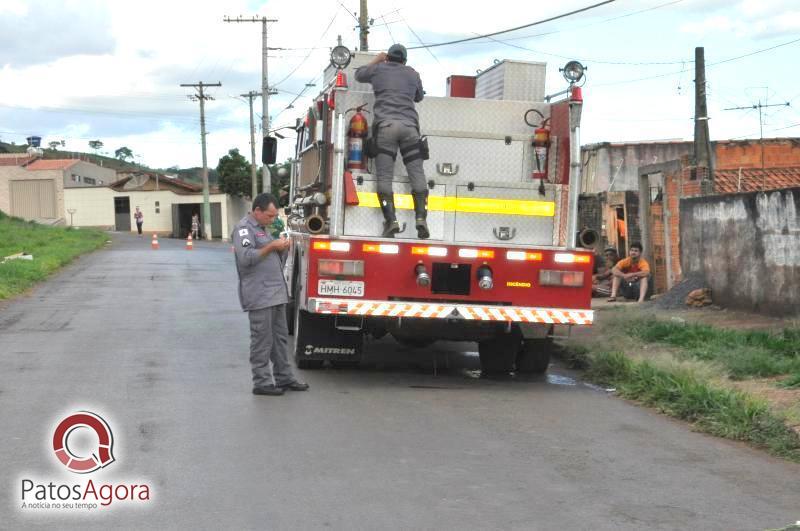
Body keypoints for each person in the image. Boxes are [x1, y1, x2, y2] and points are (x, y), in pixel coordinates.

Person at [232, 193, 309, 396]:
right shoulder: (243, 230)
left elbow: (274, 261)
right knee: (262, 340)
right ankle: (262, 382)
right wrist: (272, 246)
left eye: (275, 216)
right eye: (269, 215)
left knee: (280, 339)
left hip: (276, 293)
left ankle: (284, 378)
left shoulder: (263, 230)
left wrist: (282, 248)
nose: (272, 219)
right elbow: (246, 258)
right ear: (257, 211)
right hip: (259, 295)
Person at [355, 44, 429, 239]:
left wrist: (377, 60)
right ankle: (421, 219)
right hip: (410, 129)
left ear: (388, 57)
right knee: (417, 174)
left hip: (386, 129)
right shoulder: (413, 73)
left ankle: (391, 221)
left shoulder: (379, 69)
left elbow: (359, 75)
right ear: (405, 59)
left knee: (385, 177)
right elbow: (419, 97)